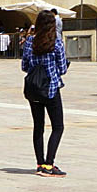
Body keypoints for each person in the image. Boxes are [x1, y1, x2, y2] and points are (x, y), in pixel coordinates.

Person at [19, 10, 69, 175]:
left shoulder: (29, 42)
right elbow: (62, 69)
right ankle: (49, 164)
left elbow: (24, 66)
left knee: (38, 126)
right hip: (51, 88)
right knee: (58, 126)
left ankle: (40, 163)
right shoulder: (56, 43)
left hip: (33, 88)